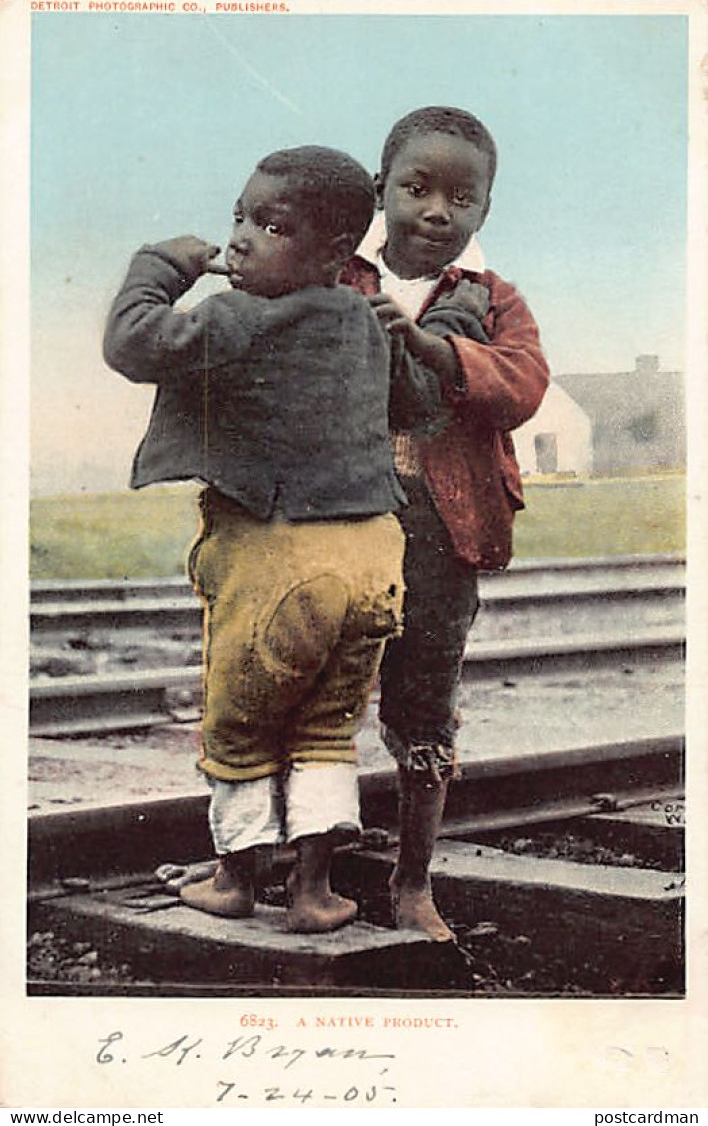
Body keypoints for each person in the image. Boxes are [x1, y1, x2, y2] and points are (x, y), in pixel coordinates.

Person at [103, 146, 407, 934]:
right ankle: (313, 890)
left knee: (239, 717)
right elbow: (410, 406)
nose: (240, 239)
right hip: (374, 551)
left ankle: (236, 877)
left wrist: (157, 267)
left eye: (270, 226)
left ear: (335, 253)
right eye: (240, 217)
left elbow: (133, 344)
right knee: (326, 724)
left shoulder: (238, 317)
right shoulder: (362, 320)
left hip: (279, 557)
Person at [339, 105, 550, 942]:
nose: (437, 211)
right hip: (338, 518)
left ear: (485, 212)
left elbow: (524, 385)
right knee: (310, 685)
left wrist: (434, 351)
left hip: (443, 530)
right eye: (416, 189)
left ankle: (413, 879)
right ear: (378, 190)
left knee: (426, 700)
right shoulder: (335, 277)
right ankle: (285, 861)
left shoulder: (494, 299)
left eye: (462, 198)